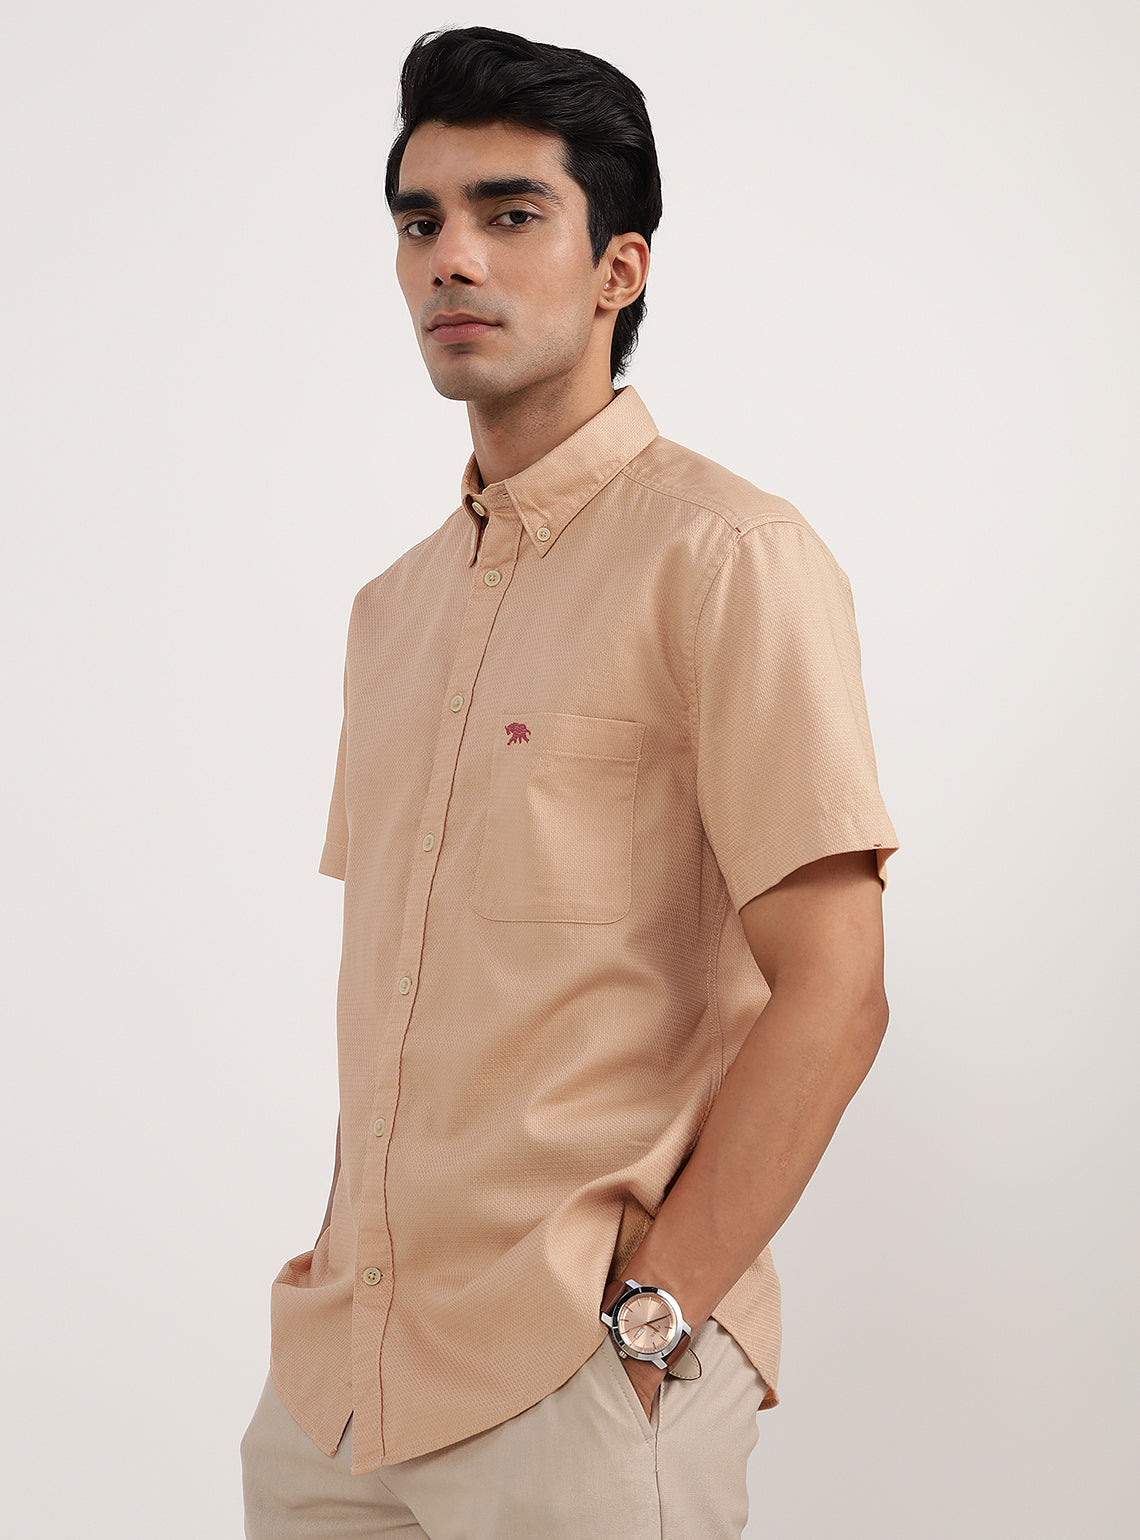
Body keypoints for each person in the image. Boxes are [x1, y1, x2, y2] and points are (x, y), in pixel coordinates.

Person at [240, 23, 900, 1539]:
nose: (452, 259)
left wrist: (656, 1315)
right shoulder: (391, 612)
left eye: (509, 213)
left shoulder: (727, 559)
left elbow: (839, 989)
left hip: (578, 1379)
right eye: (420, 222)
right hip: (341, 1390)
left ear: (620, 268)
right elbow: (398, 988)